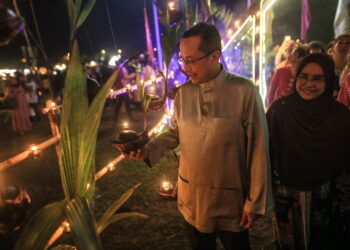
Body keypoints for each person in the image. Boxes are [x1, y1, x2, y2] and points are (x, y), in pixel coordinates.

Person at [128, 22, 272, 250]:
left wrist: (255, 201)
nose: (185, 68)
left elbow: (258, 147)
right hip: (191, 199)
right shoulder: (184, 94)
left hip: (230, 200)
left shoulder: (244, 92)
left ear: (215, 56)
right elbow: (175, 132)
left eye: (192, 60)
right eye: (183, 60)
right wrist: (149, 148)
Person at [266, 54, 350, 250]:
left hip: (328, 201)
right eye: (304, 76)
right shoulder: (280, 110)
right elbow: (266, 154)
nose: (308, 83)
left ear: (329, 80)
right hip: (286, 197)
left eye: (317, 78)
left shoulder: (341, 116)